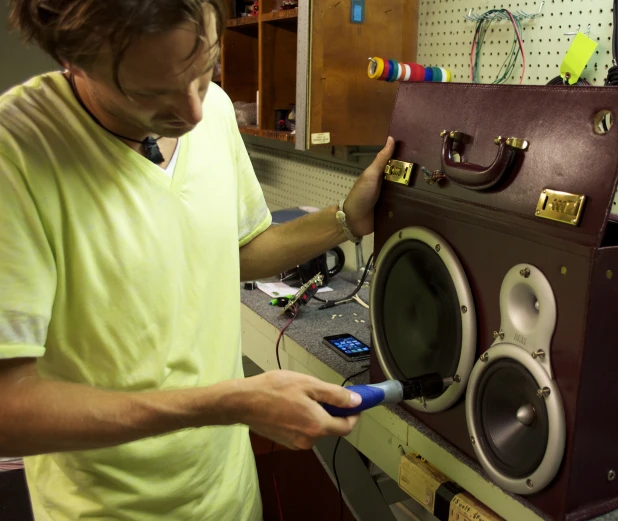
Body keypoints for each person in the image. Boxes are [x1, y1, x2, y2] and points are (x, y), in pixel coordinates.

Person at [0, 1, 394, 520]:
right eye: (151, 94)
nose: (193, 114)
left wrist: (344, 218)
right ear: (73, 61)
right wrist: (227, 403)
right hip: (110, 509)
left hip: (227, 495)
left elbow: (235, 252)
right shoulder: (17, 150)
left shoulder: (217, 111)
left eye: (205, 72)